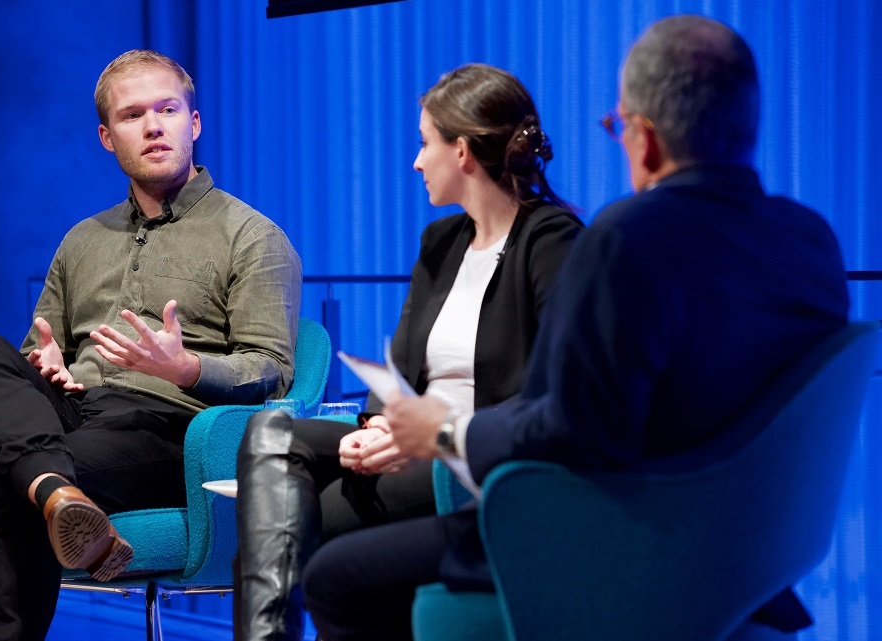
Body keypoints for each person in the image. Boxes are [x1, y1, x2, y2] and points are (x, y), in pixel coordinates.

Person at [302, 15, 850, 641]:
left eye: (616, 127)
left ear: (644, 138)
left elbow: (575, 431)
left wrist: (448, 431)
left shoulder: (629, 236)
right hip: (753, 557)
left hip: (624, 543)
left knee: (334, 577)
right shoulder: (811, 241)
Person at [0, 49, 302, 641]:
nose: (154, 126)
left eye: (168, 109)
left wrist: (186, 368)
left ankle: (48, 490)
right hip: (73, 408)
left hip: (166, 428)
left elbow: (272, 370)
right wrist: (42, 363)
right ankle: (59, 492)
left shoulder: (253, 237)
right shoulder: (82, 239)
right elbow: (41, 342)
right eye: (134, 115)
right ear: (109, 138)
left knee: (19, 478)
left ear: (195, 122)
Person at [233, 62, 583, 640]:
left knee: (285, 521)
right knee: (271, 432)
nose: (417, 161)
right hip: (407, 441)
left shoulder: (551, 243)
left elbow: (549, 395)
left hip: (468, 456)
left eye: (425, 144)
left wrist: (429, 431)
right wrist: (378, 426)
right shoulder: (440, 242)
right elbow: (401, 362)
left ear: (463, 151)